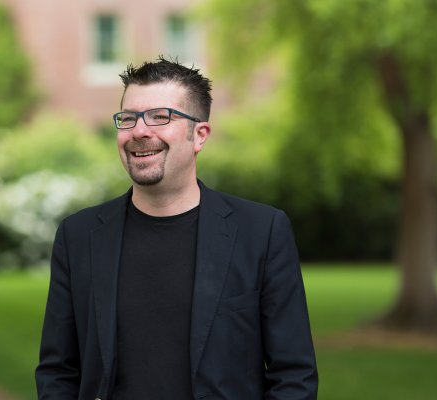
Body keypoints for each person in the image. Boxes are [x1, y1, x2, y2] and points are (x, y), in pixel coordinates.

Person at [35, 57, 318, 400]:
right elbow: (57, 372)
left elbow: (294, 375)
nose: (139, 131)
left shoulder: (261, 232)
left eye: (160, 117)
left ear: (199, 135)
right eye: (128, 119)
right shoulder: (78, 236)